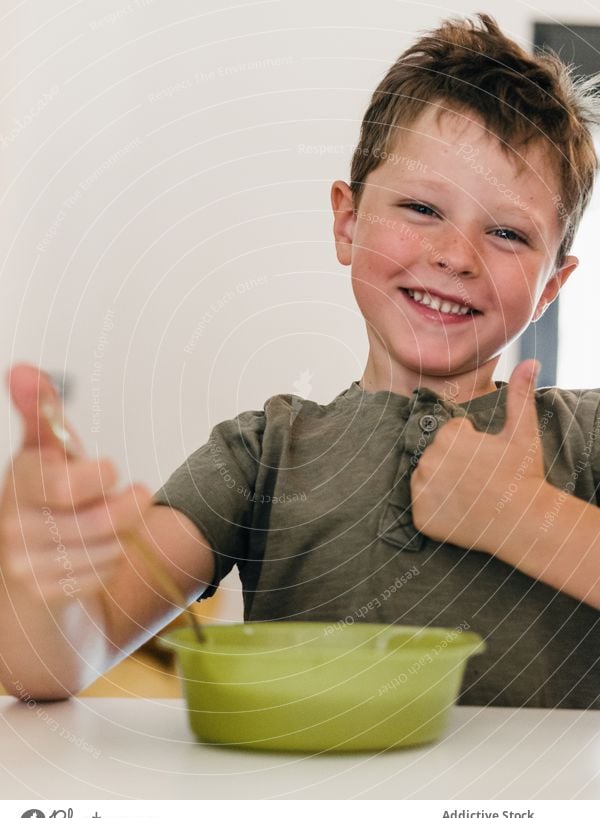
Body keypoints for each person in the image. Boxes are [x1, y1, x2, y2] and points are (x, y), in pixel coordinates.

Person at [1, 13, 598, 708]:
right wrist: (37, 584)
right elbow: (53, 665)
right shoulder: (261, 454)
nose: (456, 256)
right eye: (421, 207)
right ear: (348, 222)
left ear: (552, 285)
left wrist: (522, 515)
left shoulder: (584, 436)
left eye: (505, 232)